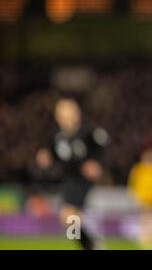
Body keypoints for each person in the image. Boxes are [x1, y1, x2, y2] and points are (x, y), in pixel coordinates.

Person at [35, 97, 109, 249]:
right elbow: (54, 154)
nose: (67, 118)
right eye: (63, 114)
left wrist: (97, 164)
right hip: (69, 180)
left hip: (82, 180)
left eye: (70, 113)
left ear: (77, 114)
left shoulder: (88, 133)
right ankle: (92, 244)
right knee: (68, 221)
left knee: (69, 215)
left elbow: (102, 149)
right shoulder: (58, 138)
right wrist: (46, 157)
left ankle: (92, 243)